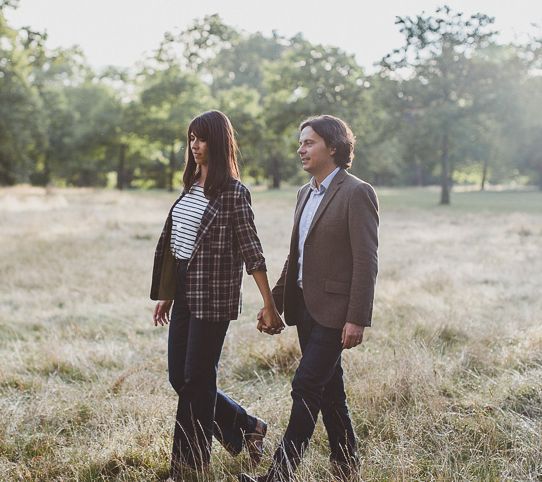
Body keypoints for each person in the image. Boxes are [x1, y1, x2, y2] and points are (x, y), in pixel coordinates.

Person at [243, 115, 379, 482]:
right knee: (330, 391)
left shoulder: (356, 192)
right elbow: (296, 256)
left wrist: (357, 317)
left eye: (309, 142)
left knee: (305, 387)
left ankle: (279, 475)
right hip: (303, 308)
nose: (300, 149)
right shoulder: (305, 192)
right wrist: (273, 301)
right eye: (300, 143)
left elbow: (367, 261)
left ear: (332, 147)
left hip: (335, 312)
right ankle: (346, 467)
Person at [151, 109, 285, 480]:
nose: (195, 146)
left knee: (196, 377)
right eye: (191, 138)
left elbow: (251, 250)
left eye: (202, 138)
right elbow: (182, 245)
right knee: (180, 377)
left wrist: (269, 304)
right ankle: (246, 426)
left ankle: (188, 467)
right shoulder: (191, 184)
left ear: (220, 142)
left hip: (213, 297)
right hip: (185, 291)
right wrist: (169, 292)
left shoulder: (233, 193)